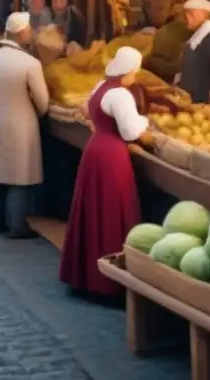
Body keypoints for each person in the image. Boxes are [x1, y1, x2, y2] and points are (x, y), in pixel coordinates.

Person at [58, 46, 147, 298]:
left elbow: (87, 110)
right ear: (129, 70)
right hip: (112, 156)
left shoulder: (100, 86)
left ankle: (87, 277)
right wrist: (147, 121)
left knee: (93, 210)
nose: (135, 77)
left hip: (95, 149)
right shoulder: (120, 94)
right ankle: (110, 284)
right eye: (134, 72)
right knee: (112, 211)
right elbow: (131, 132)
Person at [0, 12, 49, 238]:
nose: (30, 33)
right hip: (21, 122)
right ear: (21, 32)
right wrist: (31, 112)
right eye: (28, 30)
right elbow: (43, 101)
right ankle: (17, 225)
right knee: (19, 175)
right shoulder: (31, 64)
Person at [176, 0, 210, 103]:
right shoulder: (195, 36)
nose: (187, 18)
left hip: (203, 101)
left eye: (191, 14)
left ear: (204, 14)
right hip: (189, 99)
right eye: (186, 14)